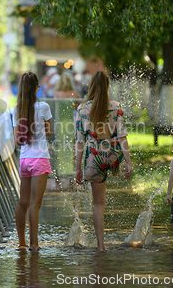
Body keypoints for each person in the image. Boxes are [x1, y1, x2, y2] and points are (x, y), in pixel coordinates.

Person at [74, 71, 132, 251]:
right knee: (103, 201)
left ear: (91, 86)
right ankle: (114, 167)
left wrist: (78, 168)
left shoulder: (82, 109)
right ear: (107, 87)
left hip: (94, 157)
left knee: (98, 204)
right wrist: (128, 162)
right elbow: (122, 136)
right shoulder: (116, 107)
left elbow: (80, 141)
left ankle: (101, 246)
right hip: (113, 155)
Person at [13, 71, 53, 251]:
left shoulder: (17, 109)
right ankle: (34, 245)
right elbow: (49, 131)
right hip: (40, 159)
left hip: (25, 159)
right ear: (36, 88)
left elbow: (17, 140)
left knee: (23, 203)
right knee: (35, 205)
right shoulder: (43, 107)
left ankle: (22, 243)